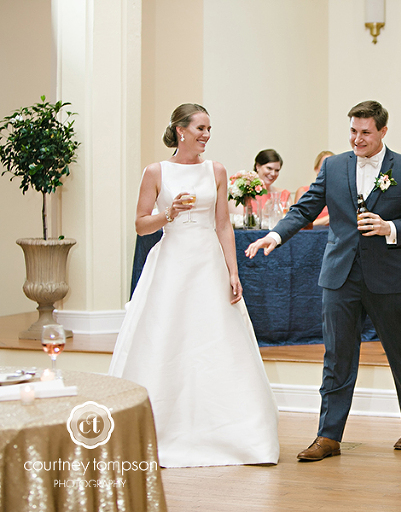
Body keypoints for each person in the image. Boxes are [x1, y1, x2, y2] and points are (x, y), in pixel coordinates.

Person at [245, 100, 401, 461]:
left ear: (382, 131)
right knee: (337, 356)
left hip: (388, 277)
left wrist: (390, 227)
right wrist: (276, 235)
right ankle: (328, 436)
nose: (357, 139)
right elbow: (305, 208)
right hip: (340, 276)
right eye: (352, 130)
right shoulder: (333, 166)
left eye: (365, 132)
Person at [109, 103, 279, 467]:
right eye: (200, 128)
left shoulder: (216, 170)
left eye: (209, 129)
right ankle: (161, 428)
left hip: (207, 262)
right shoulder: (156, 171)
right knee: (167, 339)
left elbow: (222, 225)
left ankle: (231, 434)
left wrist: (232, 271)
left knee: (215, 340)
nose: (205, 135)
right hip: (172, 263)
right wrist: (169, 214)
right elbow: (140, 225)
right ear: (180, 130)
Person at [294, 150, 334, 227]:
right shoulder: (304, 191)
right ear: (316, 169)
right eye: (324, 166)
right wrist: (329, 218)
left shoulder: (340, 193)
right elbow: (300, 221)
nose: (329, 169)